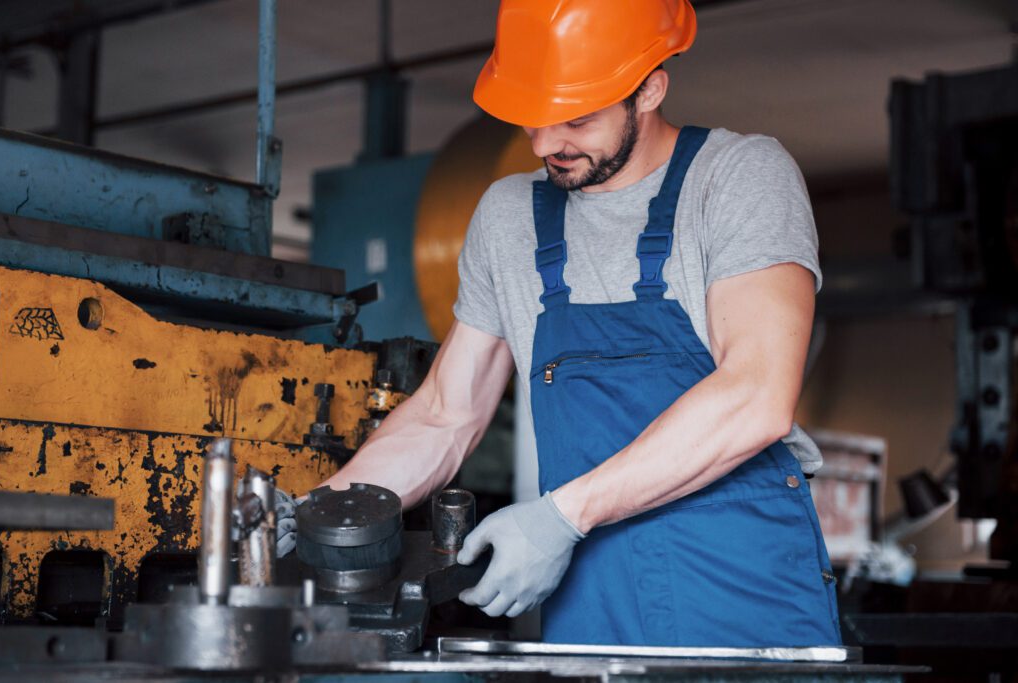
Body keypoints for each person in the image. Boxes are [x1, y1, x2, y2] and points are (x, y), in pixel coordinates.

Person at [281, 0, 842, 647]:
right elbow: (444, 413)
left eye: (575, 117)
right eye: (533, 119)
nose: (547, 143)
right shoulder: (507, 217)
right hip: (592, 604)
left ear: (652, 88)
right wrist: (320, 509)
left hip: (741, 597)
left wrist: (560, 517)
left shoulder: (738, 178)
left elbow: (756, 395)